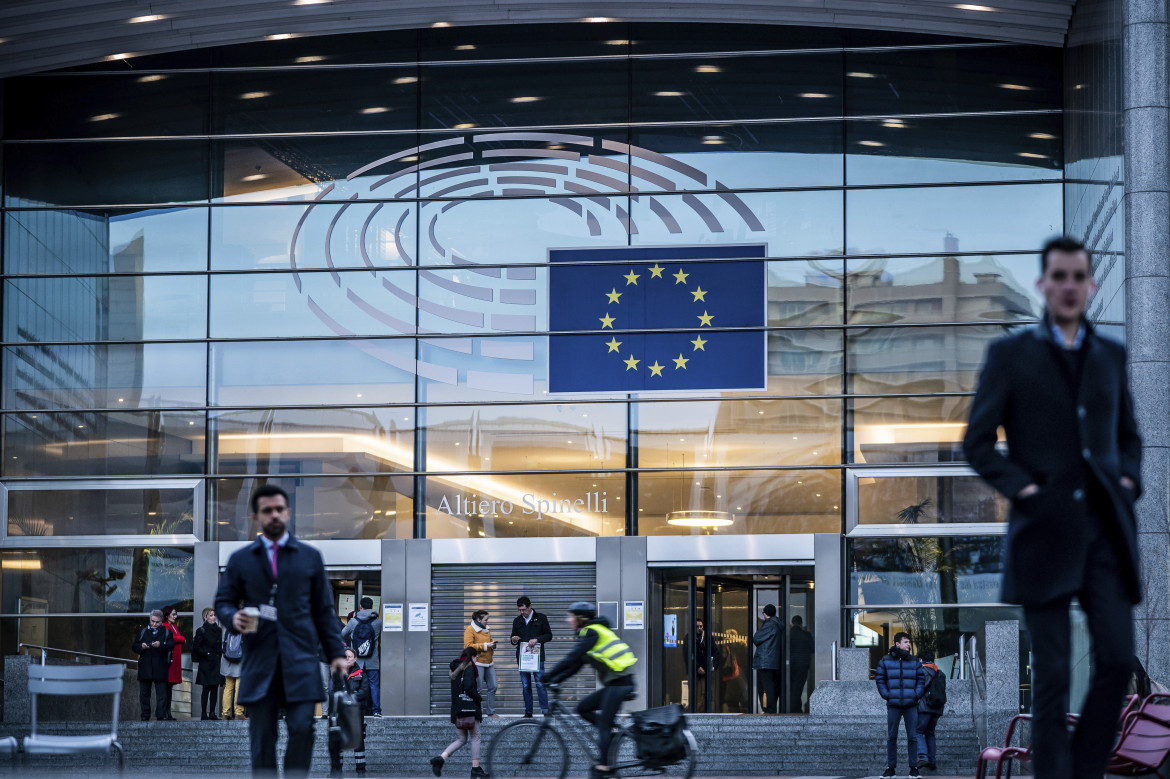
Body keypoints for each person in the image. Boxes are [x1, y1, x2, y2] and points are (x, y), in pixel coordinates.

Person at [963, 236, 1142, 779]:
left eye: (1077, 277)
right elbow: (975, 442)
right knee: (1054, 677)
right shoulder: (1011, 354)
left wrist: (1129, 480)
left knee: (1115, 660)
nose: (1068, 286)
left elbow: (1128, 435)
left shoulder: (1110, 355)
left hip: (1106, 534)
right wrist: (1025, 491)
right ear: (1043, 284)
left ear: (1089, 284)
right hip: (1043, 534)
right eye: (1058, 276)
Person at [215, 484, 347, 778]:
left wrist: (336, 652)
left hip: (300, 661)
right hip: (260, 663)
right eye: (267, 511)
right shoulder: (241, 559)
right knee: (262, 738)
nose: (274, 515)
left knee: (303, 729)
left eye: (279, 510)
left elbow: (323, 610)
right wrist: (231, 617)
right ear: (255, 517)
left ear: (287, 513)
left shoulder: (309, 557)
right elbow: (222, 601)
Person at [543, 602, 636, 778]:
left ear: (580, 619)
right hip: (615, 684)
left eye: (570, 616)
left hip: (621, 683)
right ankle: (610, 733)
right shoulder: (589, 634)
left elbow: (572, 657)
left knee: (603, 725)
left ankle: (603, 767)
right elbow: (576, 665)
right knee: (582, 708)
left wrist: (547, 676)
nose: (567, 620)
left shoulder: (591, 632)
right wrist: (556, 680)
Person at [430, 645, 487, 779]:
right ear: (472, 656)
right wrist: (479, 698)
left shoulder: (455, 668)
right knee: (476, 737)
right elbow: (468, 688)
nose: (476, 659)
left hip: (458, 709)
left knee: (462, 739)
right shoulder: (469, 668)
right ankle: (475, 769)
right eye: (476, 656)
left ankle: (440, 758)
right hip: (469, 709)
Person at [875, 632, 925, 779]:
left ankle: (914, 769)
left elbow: (921, 680)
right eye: (905, 642)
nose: (908, 644)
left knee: (913, 737)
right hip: (894, 705)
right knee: (892, 737)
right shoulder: (885, 660)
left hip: (911, 705)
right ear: (897, 644)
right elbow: (880, 679)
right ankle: (891, 768)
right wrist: (887, 694)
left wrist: (916, 694)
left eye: (909, 642)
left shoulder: (914, 661)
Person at [328, 647, 371, 778]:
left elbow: (365, 692)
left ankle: (361, 771)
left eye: (349, 656)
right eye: (344, 656)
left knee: (358, 742)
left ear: (355, 658)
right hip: (340, 713)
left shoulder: (361, 674)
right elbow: (331, 691)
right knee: (337, 740)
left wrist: (349, 699)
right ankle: (336, 771)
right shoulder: (337, 674)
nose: (347, 658)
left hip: (355, 712)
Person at [510, 596, 553, 718]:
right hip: (523, 658)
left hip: (537, 657)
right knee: (525, 685)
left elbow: (549, 635)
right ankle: (528, 712)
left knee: (540, 684)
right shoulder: (517, 621)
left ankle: (545, 711)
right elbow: (513, 638)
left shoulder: (541, 618)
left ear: (530, 606)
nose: (522, 612)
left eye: (524, 609)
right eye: (519, 610)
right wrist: (513, 639)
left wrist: (537, 639)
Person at [342, 597, 383, 717]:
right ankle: (376, 711)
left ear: (361, 607)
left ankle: (352, 709)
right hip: (372, 659)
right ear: (372, 607)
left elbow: (342, 634)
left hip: (356, 660)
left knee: (354, 683)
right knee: (374, 685)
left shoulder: (354, 621)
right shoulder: (378, 622)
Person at [132, 609, 174, 721]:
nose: (154, 624)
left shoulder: (166, 632)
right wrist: (142, 646)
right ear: (150, 619)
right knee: (144, 694)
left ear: (161, 621)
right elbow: (134, 647)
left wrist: (160, 645)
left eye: (157, 622)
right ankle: (145, 715)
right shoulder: (143, 632)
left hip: (160, 668)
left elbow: (171, 646)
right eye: (152, 621)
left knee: (161, 694)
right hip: (145, 668)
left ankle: (160, 715)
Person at [463, 609, 498, 717]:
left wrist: (493, 645)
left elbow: (489, 642)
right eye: (485, 620)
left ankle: (491, 712)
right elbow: (468, 646)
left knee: (493, 686)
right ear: (479, 619)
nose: (487, 622)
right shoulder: (470, 630)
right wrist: (486, 645)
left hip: (489, 662)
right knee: (478, 689)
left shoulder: (486, 629)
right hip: (478, 663)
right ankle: (477, 712)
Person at [192, 607, 224, 720]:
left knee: (215, 688)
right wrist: (207, 653)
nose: (213, 617)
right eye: (211, 615)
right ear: (205, 617)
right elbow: (196, 647)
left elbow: (220, 646)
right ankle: (203, 713)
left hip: (216, 663)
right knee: (206, 689)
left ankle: (212, 713)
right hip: (206, 663)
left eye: (214, 615)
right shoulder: (201, 630)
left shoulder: (219, 630)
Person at [916, 650, 944, 771]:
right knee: (930, 733)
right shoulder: (940, 673)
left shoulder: (923, 671)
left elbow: (920, 689)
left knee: (917, 731)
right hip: (937, 707)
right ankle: (932, 760)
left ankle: (922, 757)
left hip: (925, 707)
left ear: (921, 660)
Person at [751, 604, 782, 714]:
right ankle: (772, 707)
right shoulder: (778, 624)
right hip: (773, 660)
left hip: (766, 660)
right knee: (773, 684)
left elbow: (756, 638)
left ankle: (770, 708)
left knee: (768, 685)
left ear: (765, 613)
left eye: (763, 613)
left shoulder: (769, 624)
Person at [160, 604, 185, 720]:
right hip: (169, 661)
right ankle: (164, 713)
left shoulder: (172, 626)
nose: (175, 616)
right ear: (167, 615)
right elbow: (172, 638)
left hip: (175, 661)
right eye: (173, 614)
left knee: (169, 689)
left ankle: (168, 712)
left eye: (176, 614)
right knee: (166, 688)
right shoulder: (165, 625)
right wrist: (182, 639)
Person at [788, 615, 814, 713]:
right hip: (803, 664)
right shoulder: (806, 634)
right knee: (798, 687)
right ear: (801, 623)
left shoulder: (788, 634)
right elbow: (812, 648)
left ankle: (793, 708)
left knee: (791, 687)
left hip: (790, 664)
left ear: (791, 623)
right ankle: (795, 709)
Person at [221, 627, 246, 720]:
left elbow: (224, 645)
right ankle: (238, 713)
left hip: (227, 661)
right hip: (240, 661)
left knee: (228, 688)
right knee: (239, 688)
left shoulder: (227, 628)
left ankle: (225, 713)